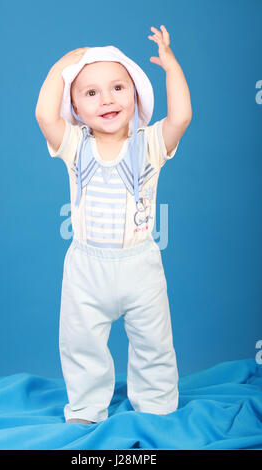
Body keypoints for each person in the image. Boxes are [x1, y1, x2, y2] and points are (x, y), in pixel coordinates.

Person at [35, 25, 192, 425]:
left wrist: (171, 68)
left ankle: (157, 405)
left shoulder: (151, 143)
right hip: (87, 269)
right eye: (90, 92)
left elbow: (182, 116)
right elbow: (43, 114)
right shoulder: (75, 146)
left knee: (154, 343)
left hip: (141, 265)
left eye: (118, 88)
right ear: (75, 107)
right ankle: (87, 409)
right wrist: (61, 68)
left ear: (137, 95)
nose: (106, 99)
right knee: (81, 343)